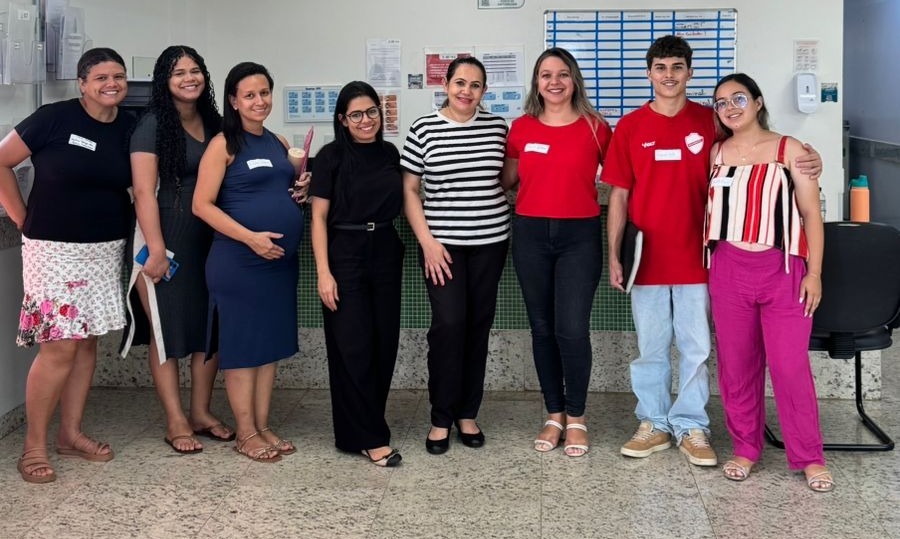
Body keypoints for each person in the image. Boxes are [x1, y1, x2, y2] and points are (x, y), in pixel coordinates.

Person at [603, 35, 822, 468]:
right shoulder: (629, 126)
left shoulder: (712, 122)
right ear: (649, 73)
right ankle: (653, 423)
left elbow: (757, 149)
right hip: (645, 257)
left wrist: (810, 158)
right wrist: (614, 254)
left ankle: (691, 425)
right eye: (661, 68)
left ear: (689, 73)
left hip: (701, 259)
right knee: (650, 347)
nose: (669, 75)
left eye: (677, 67)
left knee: (696, 347)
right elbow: (618, 196)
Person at [0, 48, 135, 483]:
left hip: (104, 248)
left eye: (118, 76)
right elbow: (1, 161)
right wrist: (21, 217)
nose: (110, 83)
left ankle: (70, 434)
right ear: (82, 82)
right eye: (100, 77)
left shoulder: (129, 128)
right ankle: (33, 447)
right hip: (53, 249)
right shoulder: (53, 117)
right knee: (59, 345)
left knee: (86, 342)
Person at [705, 73, 832, 492]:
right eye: (721, 102)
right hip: (728, 269)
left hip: (783, 271)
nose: (730, 107)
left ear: (758, 102)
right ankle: (746, 447)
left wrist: (814, 273)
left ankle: (809, 457)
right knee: (737, 367)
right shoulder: (717, 153)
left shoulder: (790, 150)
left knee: (789, 367)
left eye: (738, 98)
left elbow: (811, 214)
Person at [119, 45, 233, 454]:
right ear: (164, 80)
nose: (189, 77)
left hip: (209, 239)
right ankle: (175, 420)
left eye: (195, 69)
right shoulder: (151, 125)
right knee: (167, 332)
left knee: (208, 328)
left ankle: (200, 412)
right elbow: (144, 194)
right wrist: (155, 249)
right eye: (178, 71)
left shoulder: (217, 123)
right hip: (164, 238)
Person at [193, 62, 307, 463]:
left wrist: (299, 192)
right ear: (233, 101)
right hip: (239, 262)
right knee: (243, 348)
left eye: (264, 93)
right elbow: (201, 205)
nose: (259, 101)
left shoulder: (276, 141)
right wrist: (250, 239)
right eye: (249, 95)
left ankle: (263, 424)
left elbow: (279, 191)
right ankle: (245, 432)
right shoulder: (223, 144)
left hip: (277, 264)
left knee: (268, 347)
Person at [501, 47, 612, 457]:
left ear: (574, 80)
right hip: (529, 234)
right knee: (543, 328)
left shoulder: (597, 128)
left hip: (579, 237)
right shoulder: (520, 128)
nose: (554, 82)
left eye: (562, 74)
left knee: (571, 329)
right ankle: (553, 414)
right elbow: (507, 180)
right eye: (545, 75)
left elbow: (620, 181)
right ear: (536, 83)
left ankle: (578, 417)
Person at [401, 57, 510, 454]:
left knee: (477, 326)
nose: (467, 91)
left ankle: (468, 412)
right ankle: (440, 416)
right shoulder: (423, 127)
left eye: (476, 85)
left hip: (490, 242)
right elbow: (409, 190)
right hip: (441, 247)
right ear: (445, 85)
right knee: (449, 325)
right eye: (460, 82)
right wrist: (428, 242)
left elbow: (506, 179)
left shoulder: (498, 127)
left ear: (484, 91)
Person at [310, 81, 404, 467]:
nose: (366, 120)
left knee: (384, 344)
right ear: (342, 120)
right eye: (356, 115)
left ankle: (361, 428)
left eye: (371, 112)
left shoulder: (389, 153)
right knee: (352, 346)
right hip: (344, 253)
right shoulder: (330, 156)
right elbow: (317, 216)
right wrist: (323, 273)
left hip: (384, 248)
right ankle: (370, 437)